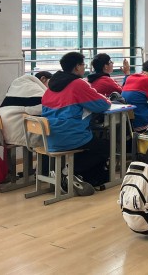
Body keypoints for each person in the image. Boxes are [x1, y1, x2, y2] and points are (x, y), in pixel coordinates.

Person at [42, 52, 111, 193]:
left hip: (49, 135)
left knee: (92, 143)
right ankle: (68, 172)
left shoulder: (52, 84)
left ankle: (75, 175)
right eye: (83, 65)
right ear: (77, 67)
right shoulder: (77, 84)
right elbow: (102, 104)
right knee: (105, 147)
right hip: (70, 134)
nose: (84, 67)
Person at [0, 71, 51, 146]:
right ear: (43, 79)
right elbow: (43, 110)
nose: (50, 88)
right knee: (51, 132)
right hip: (13, 132)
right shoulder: (33, 88)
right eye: (50, 84)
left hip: (4, 129)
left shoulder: (20, 85)